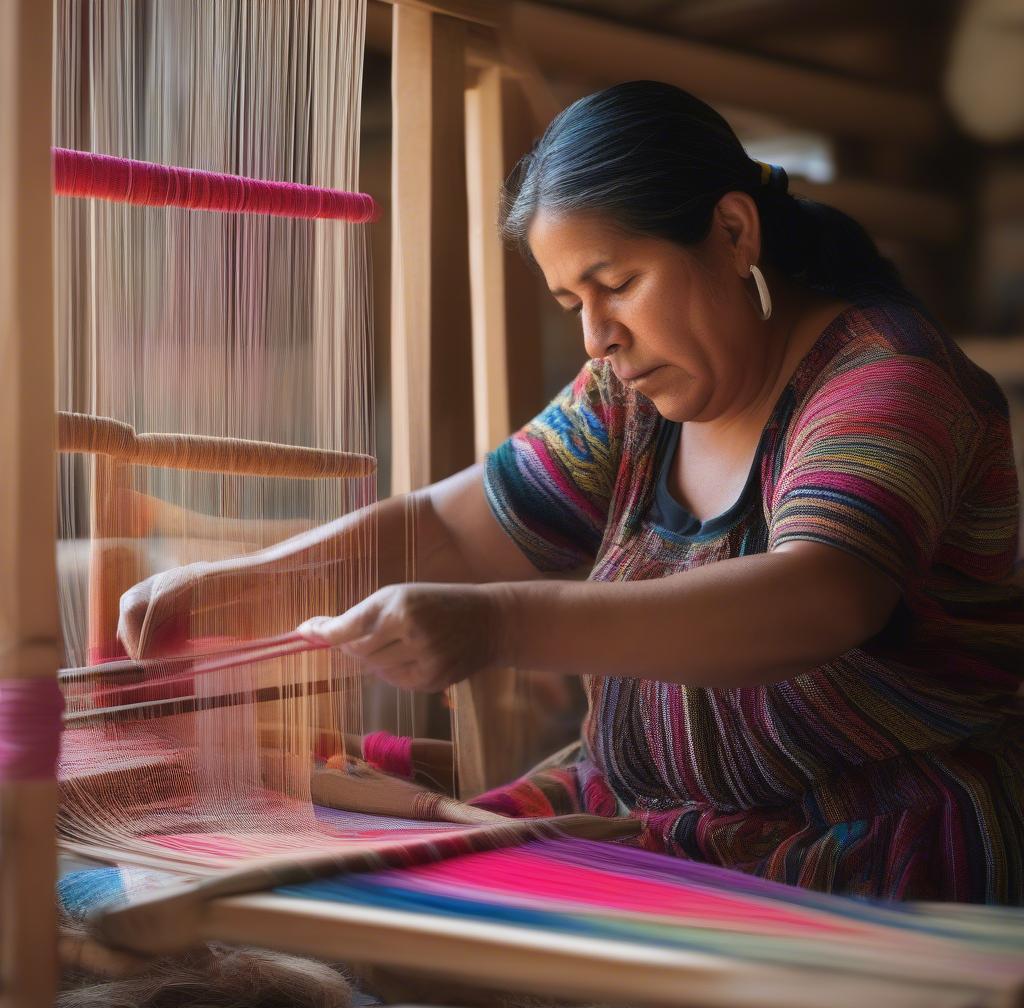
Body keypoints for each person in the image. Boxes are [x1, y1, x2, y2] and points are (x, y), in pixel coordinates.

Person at [120, 81, 1024, 904]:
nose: (598, 337)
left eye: (618, 284)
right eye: (572, 304)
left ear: (735, 233)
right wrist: (250, 582)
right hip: (654, 816)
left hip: (867, 855)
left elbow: (820, 595)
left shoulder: (888, 383)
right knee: (320, 880)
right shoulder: (633, 395)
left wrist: (499, 625)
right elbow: (454, 526)